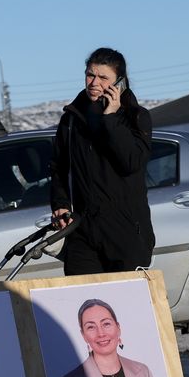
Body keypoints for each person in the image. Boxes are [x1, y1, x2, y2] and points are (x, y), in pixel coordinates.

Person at [51, 47, 155, 275]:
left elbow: (131, 162)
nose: (94, 82)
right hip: (83, 230)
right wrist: (60, 204)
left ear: (119, 82)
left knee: (126, 305)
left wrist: (112, 118)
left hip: (126, 231)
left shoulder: (136, 117)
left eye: (103, 77)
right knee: (81, 300)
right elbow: (59, 168)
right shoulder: (71, 120)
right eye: (90, 75)